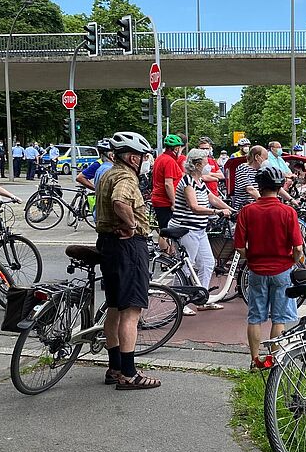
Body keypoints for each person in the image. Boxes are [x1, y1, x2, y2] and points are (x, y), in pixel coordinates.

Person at [94, 131, 160, 390]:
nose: (145, 161)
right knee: (131, 311)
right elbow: (120, 201)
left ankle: (114, 367)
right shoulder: (125, 176)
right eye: (143, 157)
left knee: (114, 307)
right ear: (133, 158)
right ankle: (130, 373)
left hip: (108, 244)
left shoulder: (107, 172)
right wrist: (132, 224)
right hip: (128, 247)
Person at [234, 165, 304, 371]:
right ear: (279, 186)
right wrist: (292, 260)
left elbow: (239, 246)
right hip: (282, 270)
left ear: (260, 186)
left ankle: (255, 361)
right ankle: (275, 361)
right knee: (279, 319)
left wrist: (253, 258)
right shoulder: (288, 212)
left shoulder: (247, 211)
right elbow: (298, 247)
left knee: (255, 317)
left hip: (256, 271)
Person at [169, 148, 233, 312]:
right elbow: (194, 206)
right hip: (186, 229)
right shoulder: (188, 182)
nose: (208, 166)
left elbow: (213, 199)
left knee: (207, 262)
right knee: (185, 266)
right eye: (205, 162)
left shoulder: (200, 182)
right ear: (197, 165)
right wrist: (216, 212)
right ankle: (180, 302)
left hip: (199, 229)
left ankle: (202, 299)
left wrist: (231, 210)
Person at [151, 134, 185, 232]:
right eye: (180, 148)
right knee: (167, 232)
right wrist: (174, 203)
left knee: (164, 229)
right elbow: (168, 184)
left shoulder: (160, 158)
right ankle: (165, 248)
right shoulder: (169, 161)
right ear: (176, 149)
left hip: (159, 199)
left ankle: (165, 247)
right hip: (165, 201)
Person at [232, 145, 269, 211]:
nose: (266, 161)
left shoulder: (264, 170)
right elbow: (250, 190)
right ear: (257, 157)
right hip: (246, 207)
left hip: (260, 205)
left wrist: (291, 199)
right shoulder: (243, 168)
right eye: (265, 159)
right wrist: (266, 203)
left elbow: (276, 187)